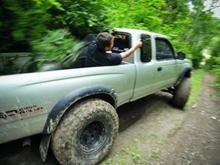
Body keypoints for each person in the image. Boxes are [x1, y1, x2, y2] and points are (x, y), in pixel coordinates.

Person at [73, 32, 142, 68]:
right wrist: (136, 46)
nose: (113, 44)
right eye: (112, 43)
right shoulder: (110, 58)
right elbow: (126, 54)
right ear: (106, 48)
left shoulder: (92, 45)